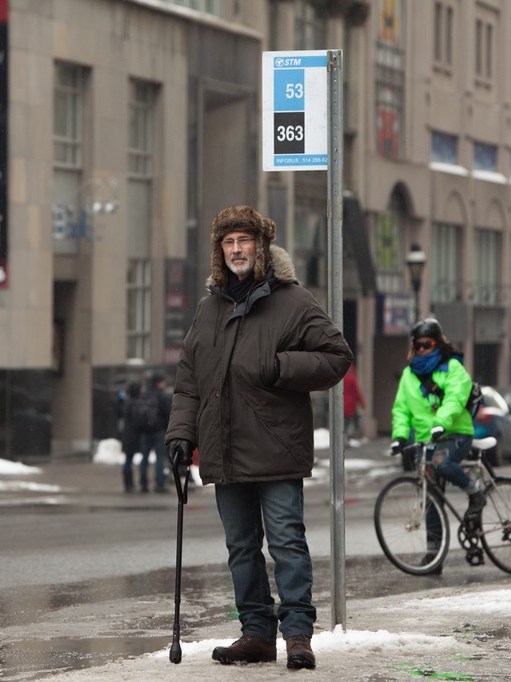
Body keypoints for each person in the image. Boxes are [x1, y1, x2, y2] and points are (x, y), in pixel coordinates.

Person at [165, 204, 353, 670]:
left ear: (261, 246)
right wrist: (180, 433)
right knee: (241, 547)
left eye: (244, 241)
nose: (236, 250)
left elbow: (337, 355)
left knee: (287, 542)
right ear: (219, 251)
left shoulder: (293, 301)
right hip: (225, 448)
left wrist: (281, 366)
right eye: (228, 242)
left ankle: (296, 636)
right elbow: (190, 380)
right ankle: (256, 633)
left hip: (276, 447)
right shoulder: (209, 309)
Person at [390, 318, 484, 561]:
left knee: (441, 462)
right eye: (417, 344)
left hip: (455, 433)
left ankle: (475, 492)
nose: (422, 349)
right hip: (426, 439)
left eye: (427, 343)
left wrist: (441, 422)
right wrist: (399, 436)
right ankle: (434, 554)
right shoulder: (408, 376)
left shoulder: (453, 367)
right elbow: (401, 409)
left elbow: (455, 398)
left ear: (438, 343)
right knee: (429, 498)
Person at [137, 373, 172, 493]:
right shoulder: (162, 396)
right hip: (159, 431)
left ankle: (143, 484)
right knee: (160, 459)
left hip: (145, 432)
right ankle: (160, 484)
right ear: (159, 382)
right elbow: (169, 413)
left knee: (144, 458)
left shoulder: (144, 396)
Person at [119, 381, 143, 492]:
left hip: (128, 434)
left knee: (128, 459)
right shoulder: (136, 403)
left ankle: (128, 483)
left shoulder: (126, 403)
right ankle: (130, 483)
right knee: (130, 459)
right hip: (135, 435)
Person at [343, 363, 366, 441]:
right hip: (350, 405)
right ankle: (346, 437)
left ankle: (342, 437)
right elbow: (357, 393)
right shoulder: (353, 379)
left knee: (341, 423)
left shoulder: (341, 379)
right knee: (348, 422)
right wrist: (362, 404)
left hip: (341, 404)